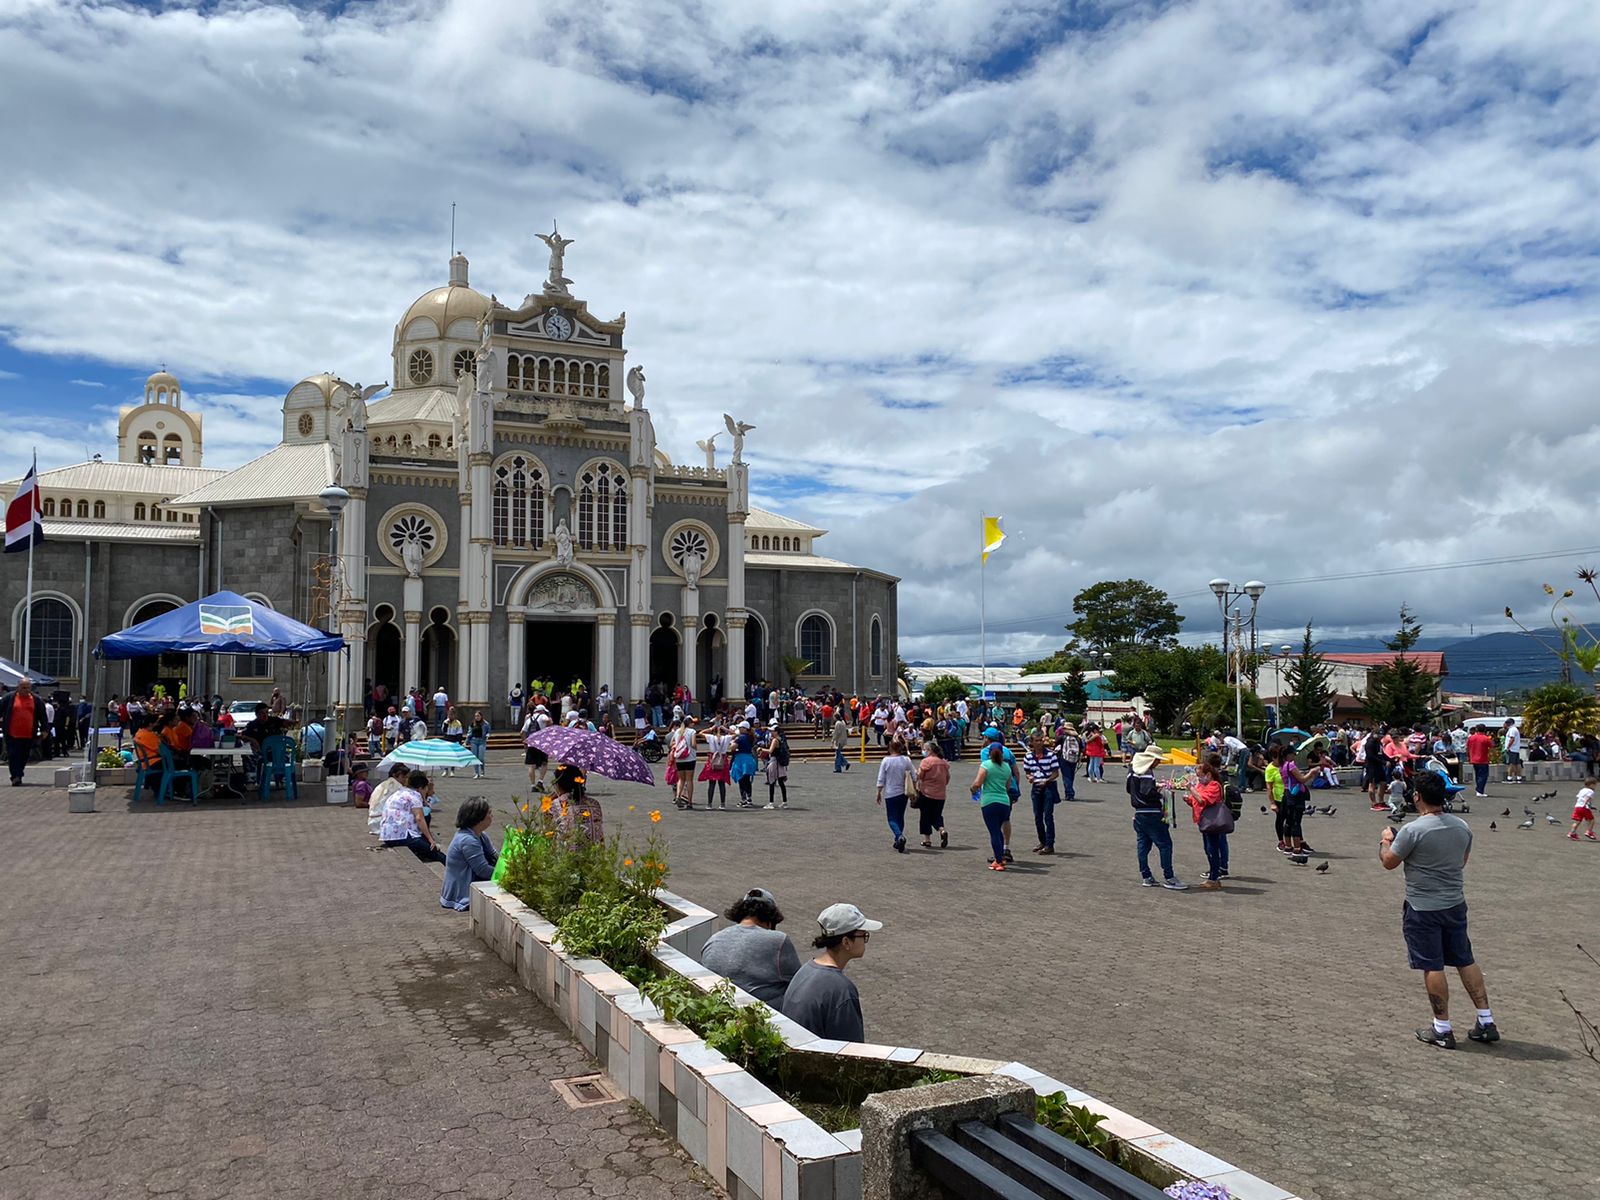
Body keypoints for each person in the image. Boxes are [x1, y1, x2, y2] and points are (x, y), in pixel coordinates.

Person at [1380, 771, 1499, 1048]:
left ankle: (1442, 1028)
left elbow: (1389, 862)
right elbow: (1461, 862)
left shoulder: (1412, 830)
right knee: (1464, 959)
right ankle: (1486, 1020)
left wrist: (1386, 839)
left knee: (1432, 964)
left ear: (1417, 796)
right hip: (1455, 903)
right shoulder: (1461, 826)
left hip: (1423, 907)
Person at [781, 903, 881, 1042]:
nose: (865, 940)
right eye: (863, 935)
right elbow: (851, 1050)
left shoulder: (806, 970)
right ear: (846, 942)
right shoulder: (841, 990)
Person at [700, 888, 801, 1006]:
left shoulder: (714, 939)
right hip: (760, 1017)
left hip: (717, 1010)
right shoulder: (778, 941)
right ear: (771, 919)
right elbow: (800, 983)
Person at [1127, 748, 1186, 889]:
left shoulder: (1133, 770)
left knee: (1143, 845)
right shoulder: (1147, 772)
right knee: (1165, 844)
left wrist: (1154, 787)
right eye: (1157, 760)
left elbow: (1130, 789)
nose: (1158, 762)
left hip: (1139, 812)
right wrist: (1160, 793)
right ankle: (1169, 877)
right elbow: (1148, 792)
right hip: (1152, 812)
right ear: (1151, 759)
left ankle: (1146, 876)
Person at [440, 797, 498, 911]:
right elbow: (482, 870)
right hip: (462, 892)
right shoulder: (467, 840)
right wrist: (505, 876)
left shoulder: (480, 835)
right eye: (489, 813)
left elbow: (494, 855)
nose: (492, 816)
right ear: (479, 817)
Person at [379, 770, 446, 863]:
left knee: (425, 846)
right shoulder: (414, 796)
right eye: (426, 788)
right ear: (420, 788)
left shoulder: (400, 792)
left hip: (388, 835)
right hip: (402, 836)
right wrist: (431, 839)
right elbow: (420, 818)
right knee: (435, 852)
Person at [1186, 755, 1231, 890]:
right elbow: (1196, 800)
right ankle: (1213, 875)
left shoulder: (1214, 785)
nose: (1199, 778)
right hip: (1203, 821)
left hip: (1213, 822)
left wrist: (1191, 789)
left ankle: (1214, 877)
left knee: (1212, 849)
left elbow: (1202, 800)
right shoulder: (1202, 785)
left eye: (1200, 775)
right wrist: (1189, 799)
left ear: (1209, 774)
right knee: (1208, 849)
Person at [971, 742, 1014, 870]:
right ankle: (1000, 857)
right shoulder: (1007, 767)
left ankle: (999, 861)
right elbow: (1007, 786)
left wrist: (972, 789)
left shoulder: (986, 765)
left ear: (989, 752)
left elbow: (978, 783)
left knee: (994, 831)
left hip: (989, 801)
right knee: (998, 830)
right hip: (1004, 802)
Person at [0, 678, 46, 786]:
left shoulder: (36, 700)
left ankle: (19, 773)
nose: (26, 690)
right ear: (18, 687)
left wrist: (45, 730)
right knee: (13, 755)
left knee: (24, 756)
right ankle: (15, 776)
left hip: (28, 734)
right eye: (23, 688)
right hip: (12, 734)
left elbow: (42, 717)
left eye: (28, 688)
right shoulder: (9, 698)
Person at [1021, 735, 1061, 855]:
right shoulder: (1028, 757)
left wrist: (1047, 780)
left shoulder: (1051, 755)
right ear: (1032, 742)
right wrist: (1030, 777)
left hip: (1048, 787)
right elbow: (1027, 772)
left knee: (1048, 816)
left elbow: (1055, 773)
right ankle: (1042, 841)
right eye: (1036, 741)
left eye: (1041, 740)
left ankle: (1050, 844)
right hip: (1036, 787)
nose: (1039, 743)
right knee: (1037, 817)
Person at [874, 738, 914, 853]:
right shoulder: (906, 760)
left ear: (890, 748)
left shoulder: (886, 760)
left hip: (890, 793)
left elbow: (881, 778)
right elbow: (915, 775)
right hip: (903, 793)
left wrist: (878, 792)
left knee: (891, 818)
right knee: (900, 816)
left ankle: (899, 836)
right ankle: (898, 840)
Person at [914, 740, 950, 849]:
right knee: (937, 815)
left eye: (925, 749)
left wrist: (916, 772)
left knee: (925, 816)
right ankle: (942, 830)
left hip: (927, 793)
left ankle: (927, 840)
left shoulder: (926, 762)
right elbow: (947, 778)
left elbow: (920, 776)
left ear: (929, 750)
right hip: (941, 794)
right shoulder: (943, 762)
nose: (923, 751)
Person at [699, 720, 733, 810]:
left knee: (712, 783)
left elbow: (700, 733)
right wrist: (726, 729)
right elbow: (736, 734)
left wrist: (710, 729)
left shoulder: (711, 737)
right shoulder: (726, 738)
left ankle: (709, 803)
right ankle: (722, 804)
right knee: (721, 783)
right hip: (723, 760)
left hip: (712, 760)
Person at [669, 719, 697, 809]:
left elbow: (671, 743)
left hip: (679, 758)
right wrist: (696, 748)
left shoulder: (677, 731)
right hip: (690, 758)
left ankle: (678, 796)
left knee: (681, 779)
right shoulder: (692, 731)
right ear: (689, 724)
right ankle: (689, 802)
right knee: (689, 780)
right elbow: (693, 744)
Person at [762, 724, 790, 809]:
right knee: (781, 783)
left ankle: (771, 803)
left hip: (774, 762)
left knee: (772, 782)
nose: (771, 732)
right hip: (779, 763)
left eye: (772, 731)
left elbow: (770, 751)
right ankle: (784, 802)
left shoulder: (775, 740)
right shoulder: (781, 739)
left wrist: (761, 749)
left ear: (776, 732)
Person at [1055, 722, 1081, 800]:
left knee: (1066, 776)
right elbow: (1082, 748)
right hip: (1074, 759)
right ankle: (1069, 792)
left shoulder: (1063, 737)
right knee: (1071, 776)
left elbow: (1056, 743)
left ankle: (1069, 793)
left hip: (1064, 758)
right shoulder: (1078, 738)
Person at [1464, 725, 1492, 798]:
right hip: (1483, 759)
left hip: (1474, 759)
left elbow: (1467, 747)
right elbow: (1492, 745)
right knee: (1483, 776)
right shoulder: (1486, 738)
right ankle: (1480, 790)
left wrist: (1468, 756)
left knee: (1477, 775)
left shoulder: (1471, 737)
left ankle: (1478, 789)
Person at [1501, 719, 1523, 784]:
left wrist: (1508, 747)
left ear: (1508, 723)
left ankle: (1509, 778)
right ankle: (1519, 778)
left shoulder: (1512, 730)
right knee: (1517, 763)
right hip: (1515, 749)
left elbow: (1512, 739)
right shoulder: (1515, 729)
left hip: (1512, 749)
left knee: (1511, 763)